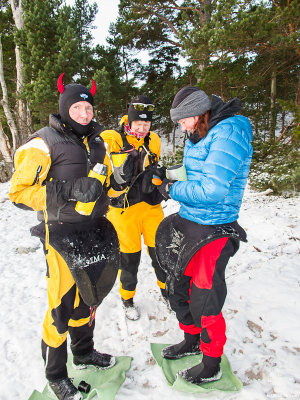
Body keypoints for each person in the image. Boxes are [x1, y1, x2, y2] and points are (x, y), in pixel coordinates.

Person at [9, 73, 120, 400]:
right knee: (61, 303)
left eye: (89, 107)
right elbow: (18, 193)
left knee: (90, 294)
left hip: (94, 230)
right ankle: (56, 373)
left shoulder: (99, 142)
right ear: (65, 107)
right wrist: (68, 189)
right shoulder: (43, 143)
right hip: (60, 233)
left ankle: (84, 352)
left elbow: (109, 186)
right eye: (79, 107)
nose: (86, 113)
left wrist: (121, 182)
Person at [155, 86, 253, 385]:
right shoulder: (199, 131)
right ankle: (192, 339)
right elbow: (194, 171)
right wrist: (167, 175)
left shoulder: (229, 133)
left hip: (216, 226)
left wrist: (171, 190)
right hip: (191, 220)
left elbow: (213, 189)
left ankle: (211, 363)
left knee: (204, 297)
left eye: (183, 119)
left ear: (198, 112)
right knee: (178, 288)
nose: (181, 126)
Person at [100, 95, 167, 320]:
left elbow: (155, 164)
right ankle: (127, 299)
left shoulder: (154, 140)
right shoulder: (113, 138)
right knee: (129, 259)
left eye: (146, 124)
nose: (142, 128)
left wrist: (159, 177)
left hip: (150, 207)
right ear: (128, 120)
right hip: (123, 211)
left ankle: (168, 293)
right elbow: (97, 150)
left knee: (161, 253)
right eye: (138, 123)